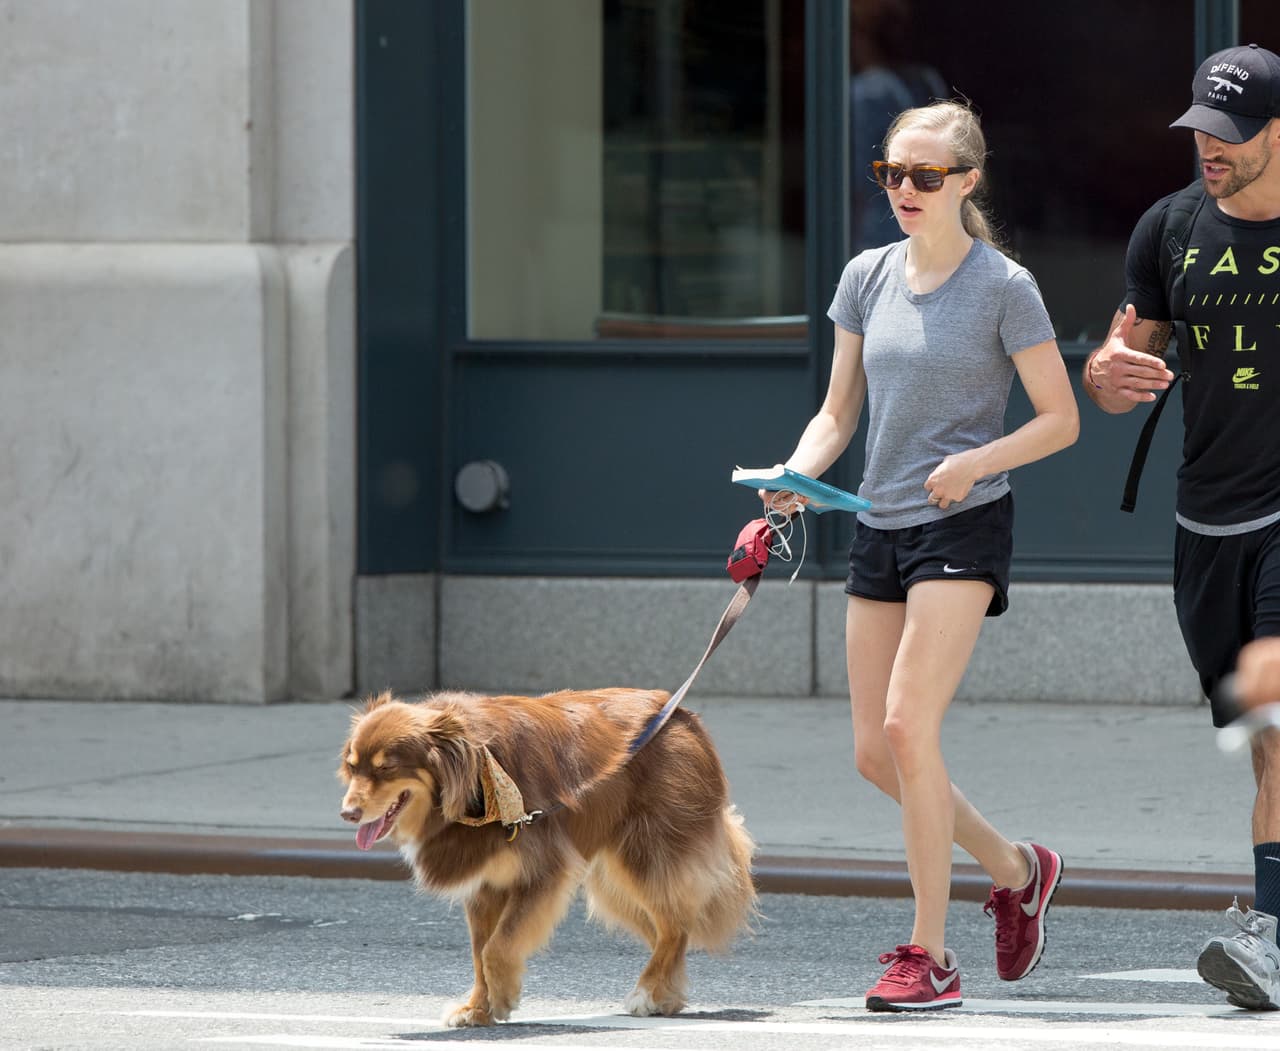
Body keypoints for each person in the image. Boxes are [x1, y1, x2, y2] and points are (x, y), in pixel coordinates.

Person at [764, 100, 1079, 1011]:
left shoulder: (1006, 287)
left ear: (967, 182)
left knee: (910, 729)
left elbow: (1059, 421)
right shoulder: (866, 276)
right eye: (891, 173)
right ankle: (1019, 867)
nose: (904, 190)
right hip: (877, 519)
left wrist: (976, 460)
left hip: (964, 522)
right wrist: (792, 477)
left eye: (925, 177)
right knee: (873, 752)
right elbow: (837, 413)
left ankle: (929, 954)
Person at [1082, 43, 1280, 1011]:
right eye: (1201, 130)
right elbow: (1125, 355)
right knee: (1258, 733)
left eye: (1231, 136)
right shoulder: (1167, 229)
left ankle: (1273, 932)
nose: (1211, 149)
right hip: (1206, 515)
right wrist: (1104, 374)